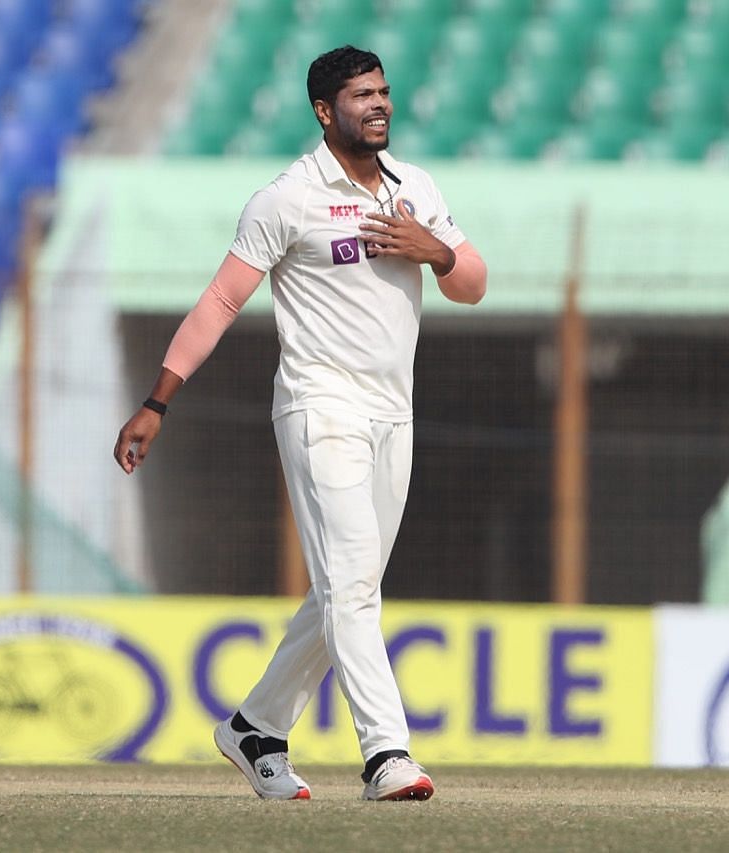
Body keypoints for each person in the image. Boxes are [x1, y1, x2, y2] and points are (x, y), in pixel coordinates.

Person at [112, 45, 487, 801]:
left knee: (341, 587)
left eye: (383, 91)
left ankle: (255, 727)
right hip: (320, 407)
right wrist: (158, 400)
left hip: (393, 412)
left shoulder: (417, 187)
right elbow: (220, 302)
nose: (378, 104)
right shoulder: (287, 198)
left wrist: (436, 251)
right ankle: (387, 754)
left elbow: (473, 285)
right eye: (360, 95)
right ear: (325, 111)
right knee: (352, 585)